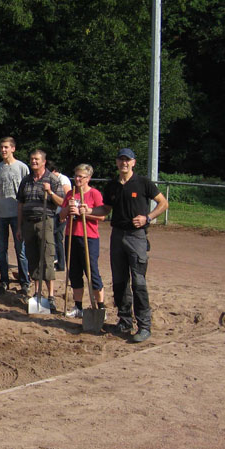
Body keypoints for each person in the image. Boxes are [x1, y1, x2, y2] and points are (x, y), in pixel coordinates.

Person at [95, 147, 169, 343]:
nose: (124, 163)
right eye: (121, 160)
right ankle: (125, 320)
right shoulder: (112, 185)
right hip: (117, 235)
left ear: (133, 162)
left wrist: (148, 218)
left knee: (139, 282)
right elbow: (105, 208)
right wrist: (88, 211)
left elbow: (163, 203)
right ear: (117, 162)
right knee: (119, 281)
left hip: (137, 237)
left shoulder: (143, 183)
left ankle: (144, 325)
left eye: (127, 160)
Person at [16, 149, 64, 310]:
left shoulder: (52, 179)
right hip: (28, 223)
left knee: (47, 257)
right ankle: (37, 293)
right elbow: (20, 205)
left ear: (44, 161)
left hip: (45, 222)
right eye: (32, 159)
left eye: (36, 159)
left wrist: (49, 192)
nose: (33, 162)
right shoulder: (26, 180)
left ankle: (50, 295)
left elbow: (62, 202)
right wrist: (19, 227)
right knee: (33, 258)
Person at [0, 136, 31, 293]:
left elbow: (27, 193)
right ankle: (4, 280)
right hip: (1, 214)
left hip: (18, 214)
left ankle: (25, 281)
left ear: (13, 149)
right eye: (1, 147)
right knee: (2, 250)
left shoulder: (23, 168)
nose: (3, 150)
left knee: (20, 249)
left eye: (6, 147)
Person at [62, 164, 105, 317]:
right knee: (74, 272)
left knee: (92, 272)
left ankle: (100, 307)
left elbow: (102, 216)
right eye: (76, 175)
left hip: (89, 237)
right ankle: (78, 306)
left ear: (88, 178)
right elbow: (61, 216)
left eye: (81, 176)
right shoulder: (70, 194)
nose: (77, 179)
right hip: (71, 236)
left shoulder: (94, 194)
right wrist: (69, 209)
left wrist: (85, 212)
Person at [48, 160, 72, 271]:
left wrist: (64, 213)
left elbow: (67, 198)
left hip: (60, 214)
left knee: (57, 238)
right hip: (53, 213)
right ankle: (57, 261)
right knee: (53, 237)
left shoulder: (63, 179)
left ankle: (60, 263)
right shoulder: (51, 179)